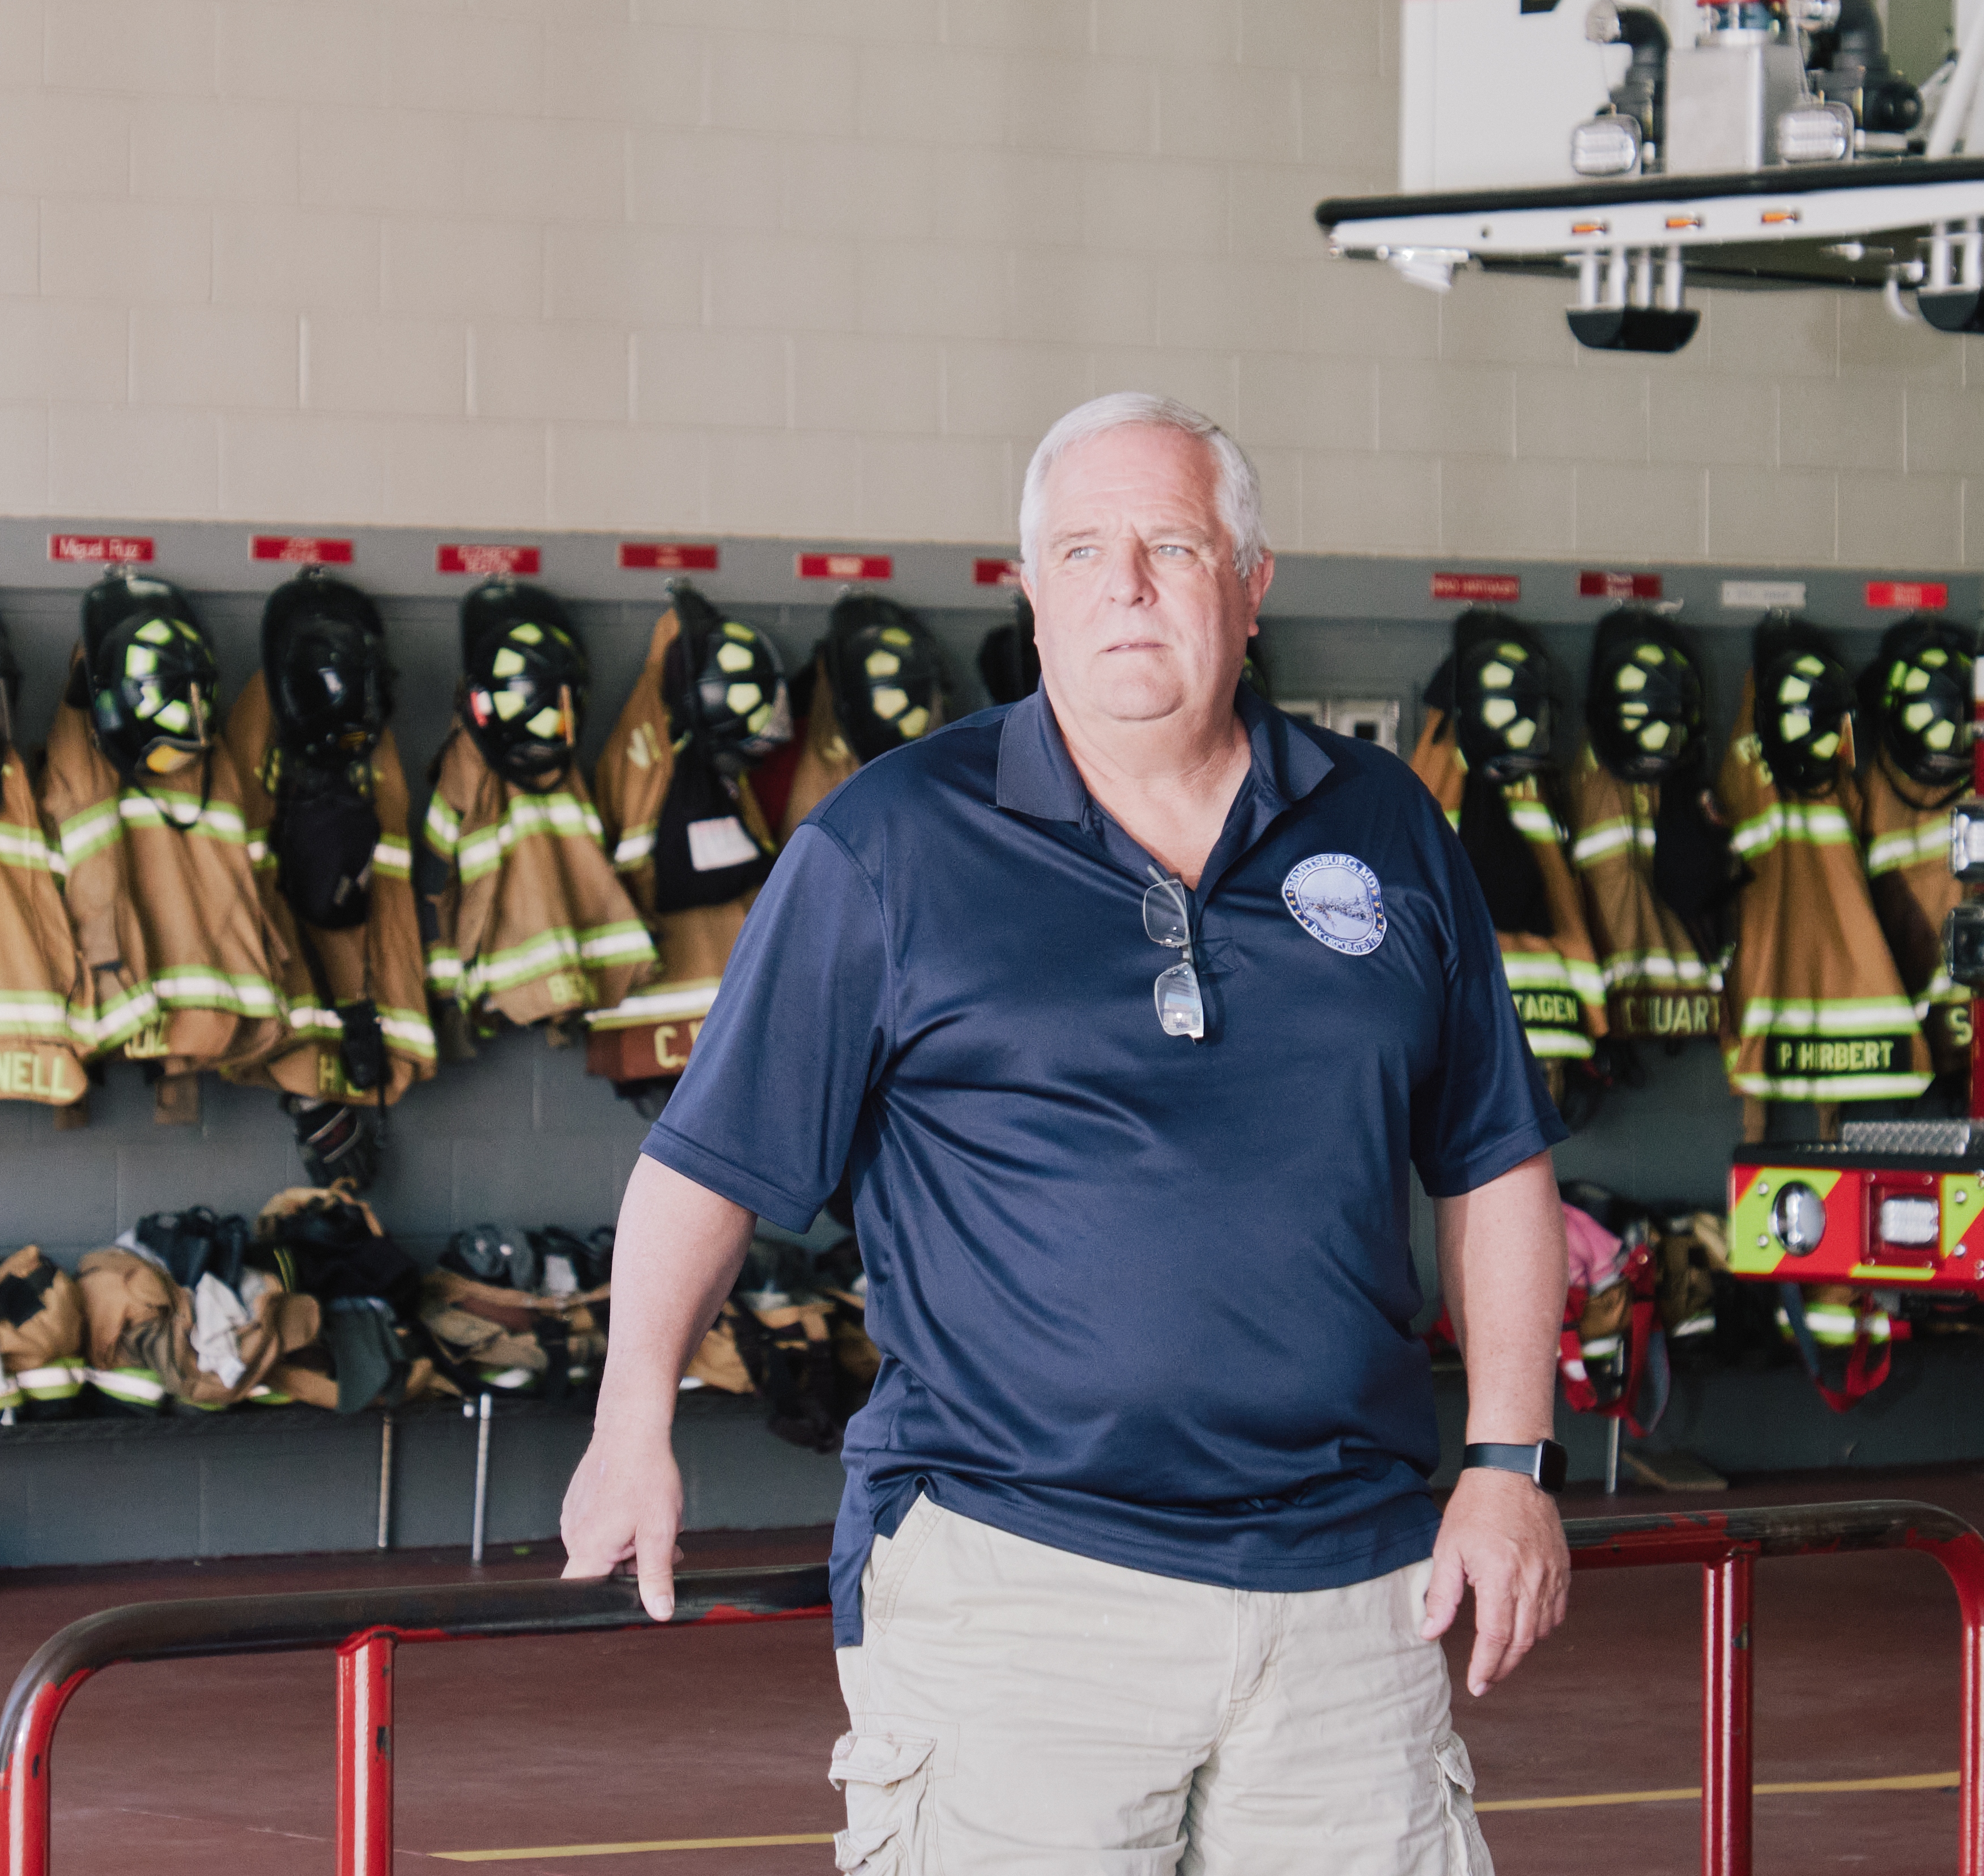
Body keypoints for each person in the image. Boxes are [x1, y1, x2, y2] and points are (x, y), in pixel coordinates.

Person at [563, 392, 1572, 1872]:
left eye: (1174, 543)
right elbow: (710, 1161)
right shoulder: (891, 843)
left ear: (1252, 579)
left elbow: (1492, 1156)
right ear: (1031, 590)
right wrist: (630, 1418)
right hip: (1016, 1592)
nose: (1130, 586)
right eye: (1084, 550)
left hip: (1352, 1597)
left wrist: (1509, 1460)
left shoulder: (1386, 826)